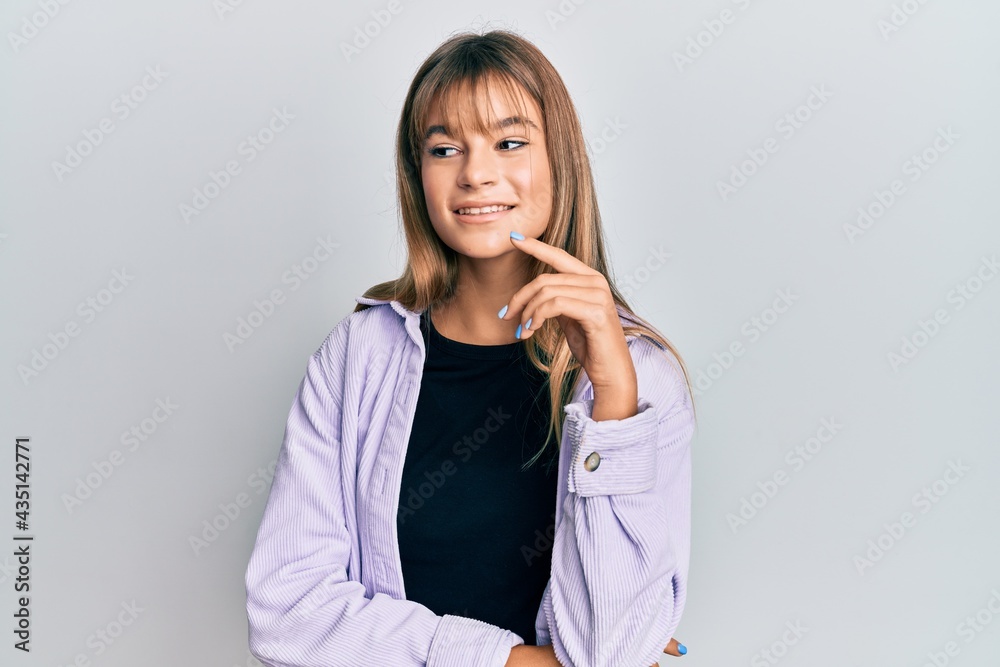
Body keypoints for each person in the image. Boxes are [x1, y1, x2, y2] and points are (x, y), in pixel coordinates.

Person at [244, 28, 697, 667]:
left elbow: (614, 649)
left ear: (560, 160)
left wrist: (615, 402)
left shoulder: (643, 379)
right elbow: (286, 616)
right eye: (445, 149)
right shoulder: (356, 357)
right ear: (418, 176)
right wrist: (514, 662)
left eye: (510, 143)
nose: (476, 174)